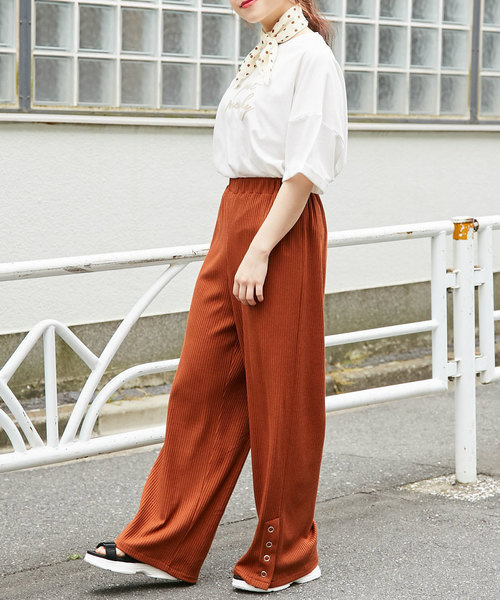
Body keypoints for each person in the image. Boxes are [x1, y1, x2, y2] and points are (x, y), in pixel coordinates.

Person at [84, 0, 348, 593]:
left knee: (282, 396)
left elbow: (305, 169)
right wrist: (238, 240)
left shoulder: (310, 56)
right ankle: (165, 541)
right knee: (200, 384)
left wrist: (260, 248)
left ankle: (289, 553)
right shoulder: (264, 53)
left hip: (280, 225)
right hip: (235, 216)